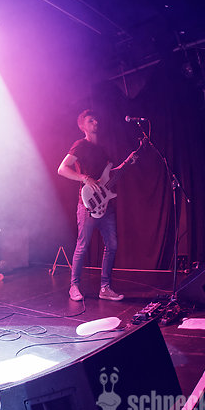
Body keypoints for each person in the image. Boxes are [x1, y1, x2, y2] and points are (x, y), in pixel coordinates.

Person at [57, 109, 135, 302]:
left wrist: (127, 163)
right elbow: (62, 168)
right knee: (82, 246)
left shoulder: (102, 149)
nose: (95, 122)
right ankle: (74, 286)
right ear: (82, 126)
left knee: (112, 245)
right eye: (90, 120)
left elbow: (109, 174)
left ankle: (105, 288)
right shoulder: (80, 145)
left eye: (96, 119)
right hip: (88, 205)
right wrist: (84, 177)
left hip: (105, 204)